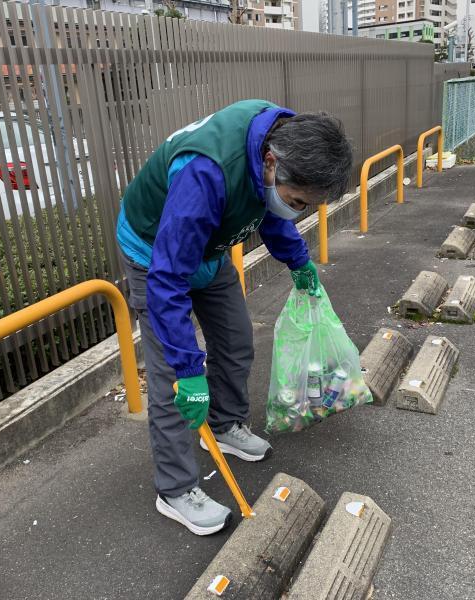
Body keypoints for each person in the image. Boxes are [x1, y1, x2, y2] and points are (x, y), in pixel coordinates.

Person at [117, 99, 353, 536]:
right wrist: (189, 371)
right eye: (298, 200)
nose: (298, 210)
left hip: (210, 245)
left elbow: (271, 208)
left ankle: (225, 425)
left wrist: (299, 262)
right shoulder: (205, 172)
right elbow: (168, 279)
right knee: (174, 378)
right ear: (270, 163)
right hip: (155, 252)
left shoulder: (279, 141)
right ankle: (175, 489)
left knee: (236, 339)